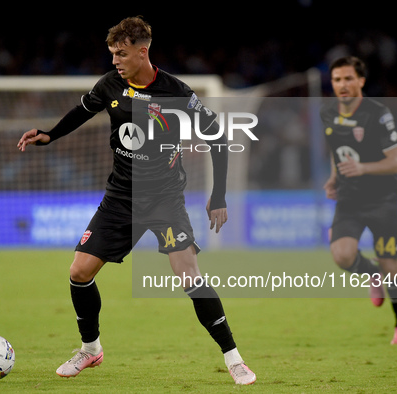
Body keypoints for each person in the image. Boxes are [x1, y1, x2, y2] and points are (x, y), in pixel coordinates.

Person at [17, 16, 256, 385]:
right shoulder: (110, 84)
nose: (115, 60)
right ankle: (91, 349)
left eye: (122, 53)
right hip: (120, 198)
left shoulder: (177, 92)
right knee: (79, 273)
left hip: (164, 200)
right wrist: (50, 135)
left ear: (143, 52)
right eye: (112, 53)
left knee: (189, 276)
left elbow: (218, 137)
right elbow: (84, 110)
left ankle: (234, 359)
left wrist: (219, 194)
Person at [321, 55, 397, 345]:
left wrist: (363, 168)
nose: (342, 85)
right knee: (342, 255)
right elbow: (338, 151)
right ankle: (372, 274)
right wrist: (334, 177)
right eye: (337, 80)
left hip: (383, 199)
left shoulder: (378, 113)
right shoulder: (327, 112)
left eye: (348, 78)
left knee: (392, 266)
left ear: (361, 81)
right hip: (349, 198)